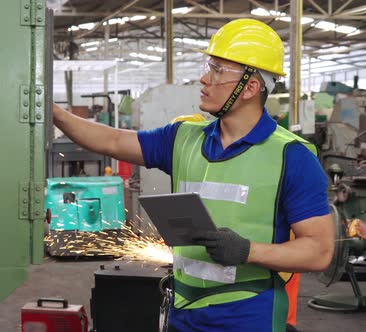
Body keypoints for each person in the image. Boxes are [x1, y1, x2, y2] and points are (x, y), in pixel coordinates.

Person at [53, 19, 334, 331]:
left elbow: (319, 251)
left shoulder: (291, 155)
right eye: (208, 67)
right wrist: (52, 113)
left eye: (216, 71)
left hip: (247, 316)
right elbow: (114, 141)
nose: (203, 78)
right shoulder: (183, 137)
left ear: (250, 87)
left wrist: (248, 251)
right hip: (183, 312)